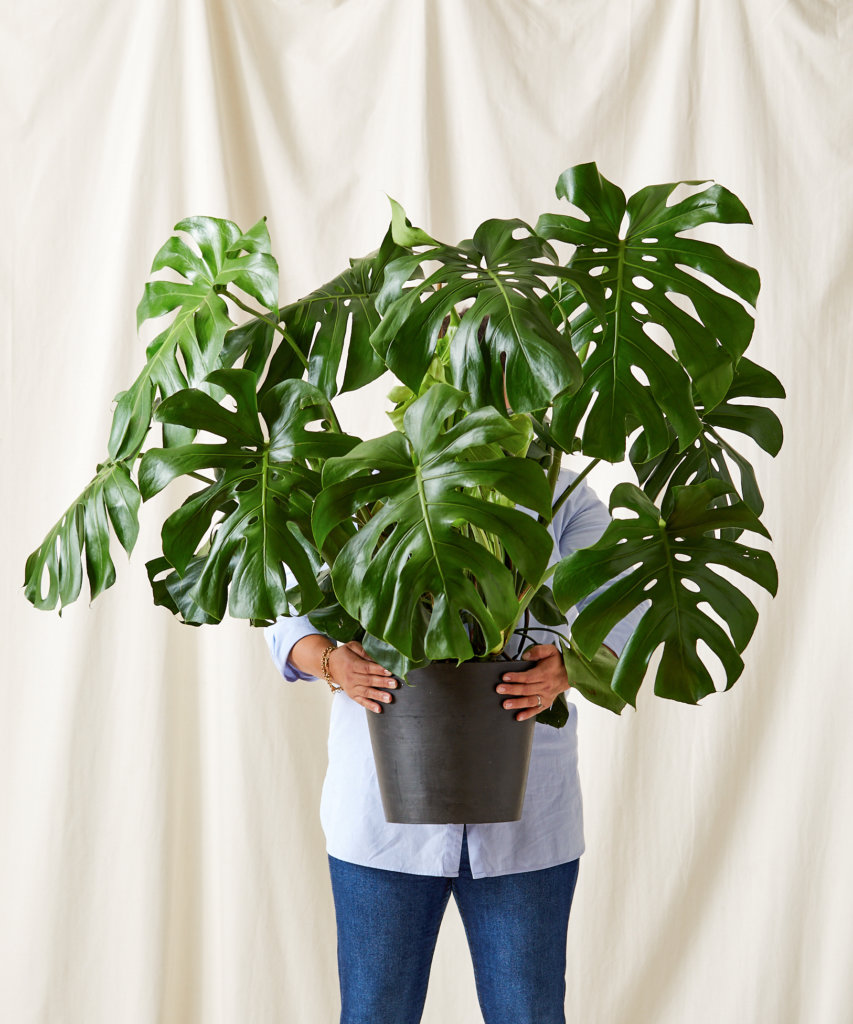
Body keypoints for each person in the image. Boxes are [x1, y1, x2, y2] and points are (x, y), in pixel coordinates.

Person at [265, 467, 646, 1024]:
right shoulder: (375, 489)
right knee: (376, 1013)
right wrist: (332, 662)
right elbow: (285, 613)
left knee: (529, 1014)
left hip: (526, 815)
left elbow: (625, 605)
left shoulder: (560, 492)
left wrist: (568, 668)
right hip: (382, 812)